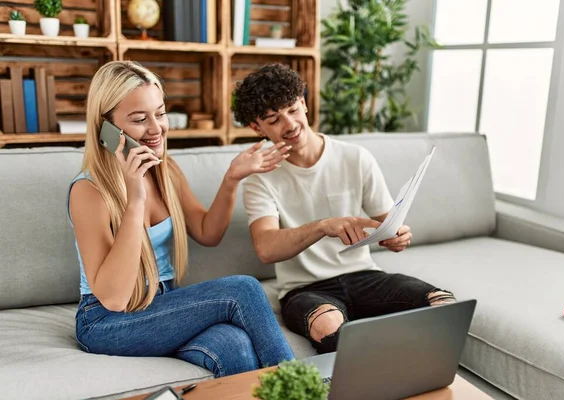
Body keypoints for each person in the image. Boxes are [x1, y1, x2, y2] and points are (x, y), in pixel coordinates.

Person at [67, 60, 295, 377]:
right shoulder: (89, 191)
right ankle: (302, 388)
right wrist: (135, 200)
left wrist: (231, 178)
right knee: (242, 290)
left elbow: (207, 233)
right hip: (107, 320)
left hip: (164, 304)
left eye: (159, 113)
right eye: (139, 119)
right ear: (107, 127)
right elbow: (114, 297)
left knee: (235, 347)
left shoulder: (165, 170)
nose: (156, 128)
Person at [233, 63, 456, 354]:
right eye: (273, 119)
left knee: (443, 304)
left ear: (303, 102)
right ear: (256, 127)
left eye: (292, 109)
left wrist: (397, 235)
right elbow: (266, 248)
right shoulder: (259, 179)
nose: (289, 124)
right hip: (305, 290)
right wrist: (323, 226)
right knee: (327, 324)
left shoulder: (355, 157)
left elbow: (387, 223)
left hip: (365, 276)